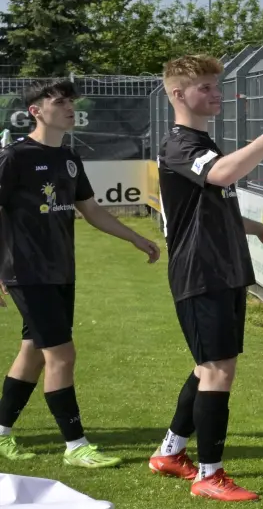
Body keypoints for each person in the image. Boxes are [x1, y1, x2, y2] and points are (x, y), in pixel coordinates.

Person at [148, 56, 263, 502]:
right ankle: (209, 475)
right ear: (179, 95)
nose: (217, 95)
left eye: (217, 86)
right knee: (218, 370)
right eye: (206, 88)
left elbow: (214, 208)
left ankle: (171, 452)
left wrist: (261, 230)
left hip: (224, 270)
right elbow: (224, 174)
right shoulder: (180, 144)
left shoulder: (201, 142)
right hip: (201, 273)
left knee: (208, 366)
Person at [0, 80, 160, 466]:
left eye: (71, 101)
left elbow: (91, 210)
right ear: (36, 111)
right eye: (60, 102)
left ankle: (1, 432)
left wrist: (134, 238)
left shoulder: (69, 158)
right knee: (62, 354)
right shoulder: (14, 157)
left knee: (35, 351)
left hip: (60, 271)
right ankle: (76, 446)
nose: (70, 107)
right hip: (25, 271)